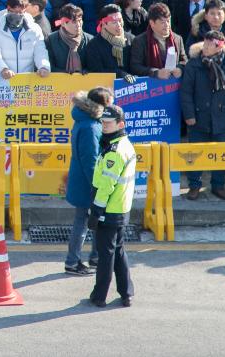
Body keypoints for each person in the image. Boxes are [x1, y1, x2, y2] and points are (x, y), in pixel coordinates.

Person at [181, 30, 225, 200]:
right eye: (205, 43)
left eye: (210, 45)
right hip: (199, 115)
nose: (206, 47)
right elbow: (186, 92)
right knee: (195, 153)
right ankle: (194, 185)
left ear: (220, 47)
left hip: (222, 114)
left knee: (220, 154)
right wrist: (189, 114)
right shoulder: (194, 64)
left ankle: (218, 185)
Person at [86, 103, 135, 308]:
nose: (104, 126)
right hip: (121, 207)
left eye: (108, 123)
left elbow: (106, 185)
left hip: (109, 208)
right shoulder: (123, 143)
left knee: (106, 255)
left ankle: (99, 296)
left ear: (120, 124)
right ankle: (127, 293)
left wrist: (96, 211)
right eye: (102, 122)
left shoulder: (114, 151)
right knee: (119, 251)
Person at [64, 87, 113, 277]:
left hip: (81, 179)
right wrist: (99, 186)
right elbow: (90, 161)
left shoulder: (84, 119)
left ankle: (95, 256)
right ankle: (73, 262)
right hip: (88, 183)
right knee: (83, 223)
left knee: (90, 221)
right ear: (101, 105)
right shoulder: (91, 127)